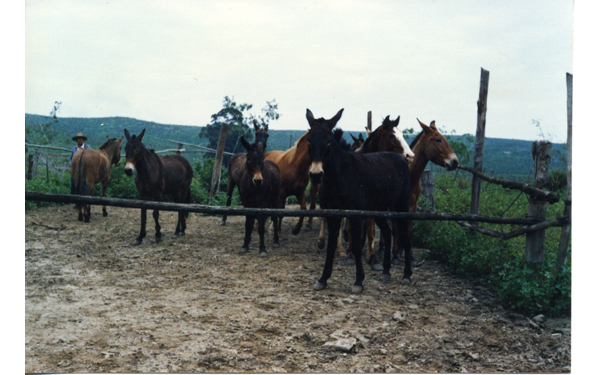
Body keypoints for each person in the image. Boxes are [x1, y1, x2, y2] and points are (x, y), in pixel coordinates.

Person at [70, 133, 91, 197]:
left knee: (83, 185)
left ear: (83, 140)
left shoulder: (87, 148)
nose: (80, 139)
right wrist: (71, 166)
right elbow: (71, 159)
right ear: (76, 140)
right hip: (75, 170)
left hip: (84, 170)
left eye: (81, 138)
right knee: (74, 185)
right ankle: (75, 201)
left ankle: (82, 201)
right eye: (79, 138)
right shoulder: (74, 149)